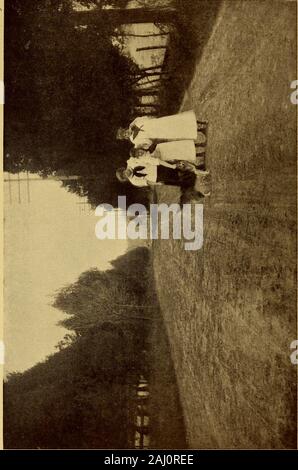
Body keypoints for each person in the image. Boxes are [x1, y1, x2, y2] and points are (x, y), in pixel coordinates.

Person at [117, 110, 202, 149]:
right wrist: (144, 146)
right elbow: (149, 142)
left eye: (124, 132)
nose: (126, 134)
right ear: (125, 138)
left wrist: (152, 120)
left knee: (175, 121)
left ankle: (199, 123)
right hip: (158, 132)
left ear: (125, 129)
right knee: (175, 131)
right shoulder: (134, 140)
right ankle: (197, 131)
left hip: (158, 123)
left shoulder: (134, 123)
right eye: (124, 135)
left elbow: (145, 118)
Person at [116, 154, 198, 189]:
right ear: (125, 178)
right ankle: (192, 179)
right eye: (124, 176)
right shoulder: (134, 181)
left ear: (123, 169)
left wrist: (156, 161)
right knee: (176, 178)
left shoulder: (131, 162)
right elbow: (146, 182)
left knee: (176, 168)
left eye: (124, 172)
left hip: (156, 167)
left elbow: (145, 159)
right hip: (156, 177)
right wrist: (157, 183)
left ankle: (195, 169)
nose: (126, 174)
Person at [130, 140, 197, 163]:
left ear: (138, 149)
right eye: (138, 155)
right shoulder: (145, 158)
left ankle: (196, 145)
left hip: (163, 147)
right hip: (164, 155)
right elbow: (156, 160)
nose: (140, 153)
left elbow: (153, 143)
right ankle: (197, 154)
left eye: (138, 151)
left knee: (178, 146)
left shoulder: (145, 146)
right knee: (179, 154)